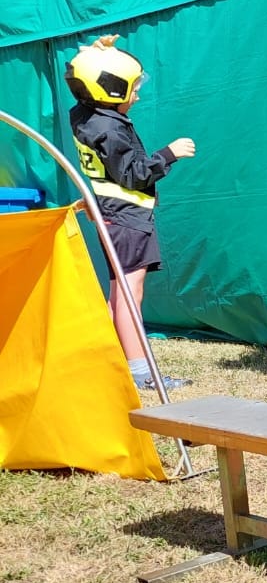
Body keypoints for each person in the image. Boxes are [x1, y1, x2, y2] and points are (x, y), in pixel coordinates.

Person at [66, 35, 196, 393]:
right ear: (106, 89)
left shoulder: (85, 115)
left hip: (113, 215)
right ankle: (140, 372)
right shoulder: (109, 128)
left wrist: (94, 53)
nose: (136, 94)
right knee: (129, 293)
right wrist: (168, 154)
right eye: (130, 88)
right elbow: (134, 172)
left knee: (118, 292)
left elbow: (84, 80)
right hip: (126, 217)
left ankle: (106, 363)